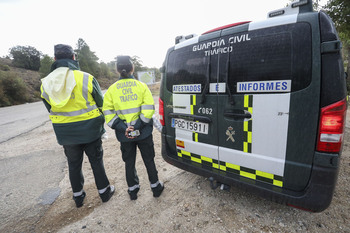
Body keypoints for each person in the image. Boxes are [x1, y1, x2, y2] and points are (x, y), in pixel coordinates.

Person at [40, 44, 114, 208]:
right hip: (91, 131)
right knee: (96, 162)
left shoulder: (45, 83)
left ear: (54, 59)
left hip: (66, 134)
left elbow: (50, 109)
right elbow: (101, 104)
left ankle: (78, 198)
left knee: (73, 165)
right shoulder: (86, 77)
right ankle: (105, 193)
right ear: (73, 57)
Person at [103, 56, 164, 200]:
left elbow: (108, 113)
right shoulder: (141, 86)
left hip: (125, 135)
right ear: (132, 68)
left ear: (117, 70)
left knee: (129, 162)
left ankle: (133, 191)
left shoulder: (111, 90)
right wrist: (137, 126)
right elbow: (148, 109)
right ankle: (155, 187)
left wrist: (124, 127)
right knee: (149, 159)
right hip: (143, 132)